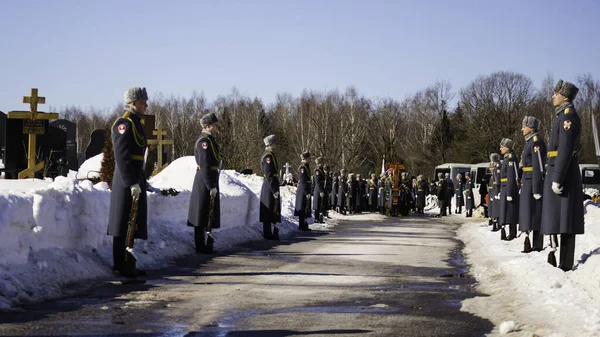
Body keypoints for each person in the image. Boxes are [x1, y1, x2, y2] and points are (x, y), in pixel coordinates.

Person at [541, 80, 584, 271]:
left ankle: (565, 263)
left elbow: (565, 149)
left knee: (566, 220)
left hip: (563, 173)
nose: (553, 96)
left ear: (565, 97)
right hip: (557, 168)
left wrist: (557, 177)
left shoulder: (568, 116)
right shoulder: (561, 116)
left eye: (556, 93)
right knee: (557, 217)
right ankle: (559, 259)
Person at [107, 87, 149, 278]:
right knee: (123, 221)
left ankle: (126, 261)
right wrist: (131, 182)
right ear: (132, 103)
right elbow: (122, 156)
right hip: (126, 178)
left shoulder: (136, 123)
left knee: (132, 221)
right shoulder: (124, 123)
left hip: (135, 176)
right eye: (142, 102)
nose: (145, 106)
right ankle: (121, 263)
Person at [187, 113, 222, 254]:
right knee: (201, 214)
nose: (217, 127)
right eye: (215, 125)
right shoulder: (204, 141)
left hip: (210, 178)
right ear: (208, 126)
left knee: (207, 212)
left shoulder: (211, 140)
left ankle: (205, 243)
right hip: (204, 180)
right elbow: (205, 164)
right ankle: (200, 245)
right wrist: (210, 185)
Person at [519, 116, 546, 253]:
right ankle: (531, 242)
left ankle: (537, 244)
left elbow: (538, 166)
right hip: (527, 180)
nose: (522, 129)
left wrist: (536, 188)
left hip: (533, 181)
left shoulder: (536, 142)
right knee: (528, 213)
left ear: (531, 128)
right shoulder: (529, 142)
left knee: (535, 213)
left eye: (524, 126)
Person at [260, 135, 281, 240]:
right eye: (274, 144)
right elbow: (269, 174)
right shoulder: (268, 156)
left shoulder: (271, 155)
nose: (276, 146)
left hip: (271, 184)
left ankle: (270, 232)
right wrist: (274, 190)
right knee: (268, 209)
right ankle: (267, 233)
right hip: (269, 186)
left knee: (272, 208)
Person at [498, 138, 520, 241]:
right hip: (505, 187)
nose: (500, 149)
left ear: (507, 148)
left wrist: (510, 191)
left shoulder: (511, 158)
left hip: (509, 187)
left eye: (502, 147)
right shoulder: (506, 158)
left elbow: (512, 176)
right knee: (506, 210)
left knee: (511, 211)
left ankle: (512, 233)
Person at [294, 151, 312, 231]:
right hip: (303, 189)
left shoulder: (306, 166)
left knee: (305, 207)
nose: (310, 159)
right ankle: (302, 225)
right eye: (309, 158)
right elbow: (303, 180)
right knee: (303, 207)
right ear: (306, 158)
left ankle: (304, 224)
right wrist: (306, 192)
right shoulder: (303, 167)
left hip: (305, 188)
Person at [312, 157, 326, 223]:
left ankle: (320, 218)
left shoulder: (321, 170)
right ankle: (316, 218)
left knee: (320, 203)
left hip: (321, 187)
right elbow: (318, 181)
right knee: (317, 204)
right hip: (318, 189)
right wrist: (320, 190)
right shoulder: (317, 170)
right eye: (322, 162)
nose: (324, 163)